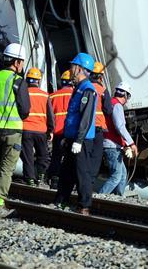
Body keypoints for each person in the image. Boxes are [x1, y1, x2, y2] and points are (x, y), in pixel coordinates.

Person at [0, 43, 31, 218]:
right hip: (12, 131)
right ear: (17, 62)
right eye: (23, 62)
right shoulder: (17, 81)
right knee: (6, 169)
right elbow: (25, 109)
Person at [55, 52, 101, 215]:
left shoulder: (88, 90)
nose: (71, 69)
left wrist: (79, 140)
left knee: (82, 173)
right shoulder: (79, 89)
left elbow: (86, 117)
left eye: (73, 66)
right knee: (66, 171)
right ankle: (61, 200)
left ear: (79, 68)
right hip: (72, 138)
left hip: (81, 140)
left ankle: (84, 205)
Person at [99, 82, 137, 195]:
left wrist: (124, 145)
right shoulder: (117, 105)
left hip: (110, 143)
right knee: (116, 176)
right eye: (128, 97)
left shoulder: (109, 103)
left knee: (123, 175)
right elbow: (119, 126)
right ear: (125, 95)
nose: (127, 100)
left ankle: (119, 198)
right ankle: (99, 197)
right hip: (111, 145)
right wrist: (131, 143)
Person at [20, 67, 53, 186]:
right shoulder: (45, 95)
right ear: (38, 81)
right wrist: (51, 130)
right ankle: (40, 176)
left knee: (27, 156)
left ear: (27, 79)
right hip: (41, 131)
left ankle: (29, 179)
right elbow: (50, 115)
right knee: (43, 155)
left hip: (25, 130)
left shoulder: (22, 93)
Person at [47, 70, 74, 188]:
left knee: (56, 156)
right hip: (70, 131)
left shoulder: (52, 96)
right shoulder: (76, 94)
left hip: (57, 131)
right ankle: (68, 181)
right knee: (70, 157)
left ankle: (54, 179)